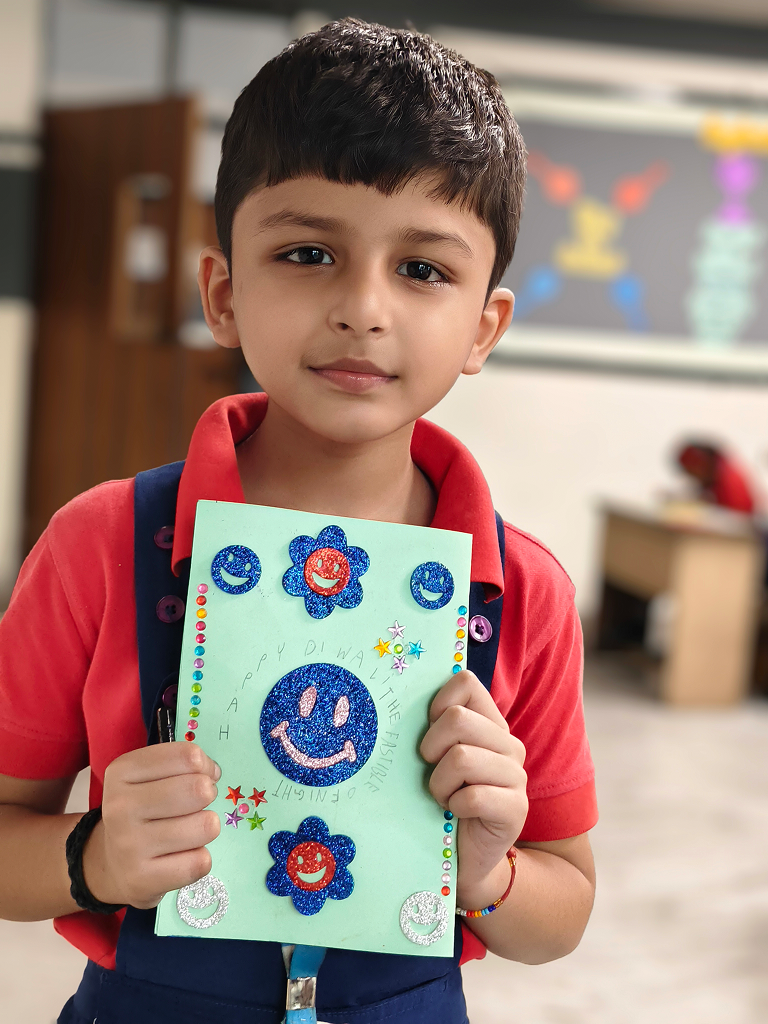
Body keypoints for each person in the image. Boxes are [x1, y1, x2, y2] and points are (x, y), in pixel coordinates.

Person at [0, 20, 597, 1024]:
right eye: (308, 252)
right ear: (224, 293)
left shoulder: (522, 588)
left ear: (484, 328)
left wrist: (488, 872)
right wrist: (92, 855)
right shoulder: (102, 544)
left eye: (423, 269)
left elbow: (564, 909)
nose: (363, 307)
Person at [676, 441, 756, 515]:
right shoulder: (716, 475)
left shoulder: (729, 480)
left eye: (694, 467)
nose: (693, 475)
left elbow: (740, 514)